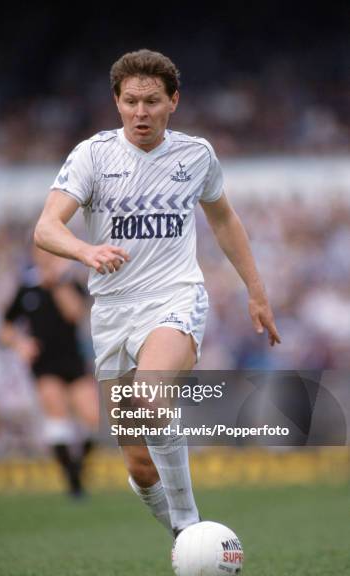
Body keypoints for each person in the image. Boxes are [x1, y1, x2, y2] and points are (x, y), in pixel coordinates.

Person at [34, 49, 280, 534]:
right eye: (130, 102)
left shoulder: (196, 155)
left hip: (174, 297)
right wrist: (85, 252)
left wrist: (257, 291)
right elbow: (46, 227)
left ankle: (189, 524)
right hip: (111, 311)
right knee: (140, 467)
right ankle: (182, 538)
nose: (140, 113)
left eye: (151, 101)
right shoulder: (93, 156)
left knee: (152, 395)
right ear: (116, 101)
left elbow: (224, 218)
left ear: (174, 101)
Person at [1, 246, 99, 497]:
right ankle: (73, 482)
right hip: (44, 362)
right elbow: (7, 328)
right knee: (57, 412)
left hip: (73, 360)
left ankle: (76, 468)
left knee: (92, 416)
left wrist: (57, 284)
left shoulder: (68, 284)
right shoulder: (26, 289)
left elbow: (74, 314)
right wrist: (20, 344)